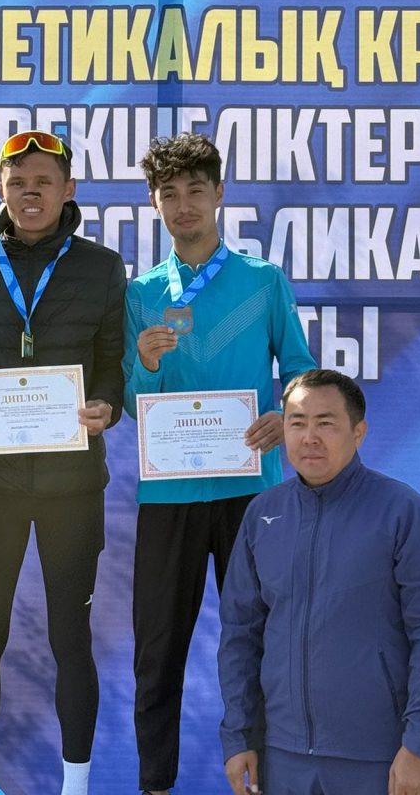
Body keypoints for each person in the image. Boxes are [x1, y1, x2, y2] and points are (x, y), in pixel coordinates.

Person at [122, 132, 315, 795]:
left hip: (251, 491)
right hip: (168, 496)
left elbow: (300, 369)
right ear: (154, 203)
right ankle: (155, 785)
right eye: (169, 194)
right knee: (157, 652)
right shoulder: (141, 293)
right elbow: (132, 403)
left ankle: (266, 778)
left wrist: (287, 417)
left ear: (219, 194)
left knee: (259, 643)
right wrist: (147, 365)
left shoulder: (263, 280)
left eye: (195, 191)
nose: (184, 206)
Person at [0, 130, 126, 795]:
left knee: (69, 637)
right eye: (18, 181)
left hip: (73, 485)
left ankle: (75, 787)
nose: (31, 193)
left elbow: (113, 361)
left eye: (44, 182)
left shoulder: (102, 267)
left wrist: (107, 404)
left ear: (68, 189)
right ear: (0, 187)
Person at [219, 368, 420, 795]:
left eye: (326, 423)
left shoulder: (405, 513)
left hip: (379, 756)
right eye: (297, 423)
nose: (310, 437)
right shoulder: (263, 514)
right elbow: (241, 634)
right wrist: (239, 737)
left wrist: (418, 746)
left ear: (358, 432)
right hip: (282, 756)